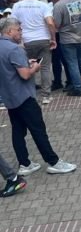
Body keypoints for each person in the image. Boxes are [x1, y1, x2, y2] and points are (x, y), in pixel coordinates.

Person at [0, 16, 76, 176]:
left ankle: (24, 164)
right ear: (9, 31)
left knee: (18, 131)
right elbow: (25, 75)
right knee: (38, 130)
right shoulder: (15, 49)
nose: (21, 32)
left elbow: (9, 68)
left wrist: (26, 62)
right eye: (18, 30)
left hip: (10, 98)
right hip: (24, 97)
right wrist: (34, 67)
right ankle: (53, 162)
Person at [11, 0, 57, 106]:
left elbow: (13, 24)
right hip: (43, 39)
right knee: (45, 67)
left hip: (26, 40)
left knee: (28, 66)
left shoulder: (17, 6)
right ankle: (46, 95)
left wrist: (18, 41)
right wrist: (53, 38)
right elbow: (50, 23)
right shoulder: (43, 5)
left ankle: (31, 94)